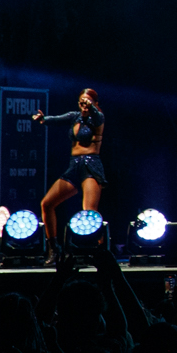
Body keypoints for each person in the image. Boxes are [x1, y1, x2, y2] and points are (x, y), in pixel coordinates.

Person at [33, 88, 105, 262]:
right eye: (82, 102)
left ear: (95, 103)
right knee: (47, 203)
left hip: (91, 165)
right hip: (74, 166)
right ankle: (54, 249)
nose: (84, 105)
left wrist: (91, 107)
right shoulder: (75, 116)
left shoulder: (98, 117)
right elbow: (57, 119)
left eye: (88, 102)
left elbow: (96, 117)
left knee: (89, 212)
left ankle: (96, 251)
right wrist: (44, 120)